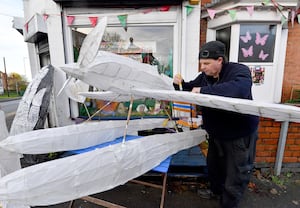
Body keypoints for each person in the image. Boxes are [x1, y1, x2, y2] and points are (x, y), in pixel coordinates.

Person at [173, 40, 259, 208]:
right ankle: (216, 192)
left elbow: (238, 90)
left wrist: (203, 91)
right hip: (217, 134)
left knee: (236, 174)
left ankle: (228, 204)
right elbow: (189, 88)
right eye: (201, 63)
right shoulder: (205, 77)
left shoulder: (239, 71)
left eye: (206, 63)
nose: (202, 67)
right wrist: (179, 84)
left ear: (220, 60)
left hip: (239, 135)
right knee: (215, 168)